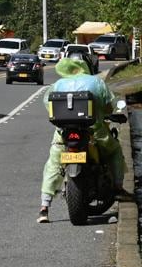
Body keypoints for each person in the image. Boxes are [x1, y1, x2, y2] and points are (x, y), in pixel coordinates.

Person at [38, 57, 127, 223]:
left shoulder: (58, 84)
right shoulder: (96, 82)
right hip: (95, 131)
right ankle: (118, 188)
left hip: (63, 133)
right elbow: (109, 106)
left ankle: (44, 207)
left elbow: (48, 105)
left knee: (53, 164)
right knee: (114, 151)